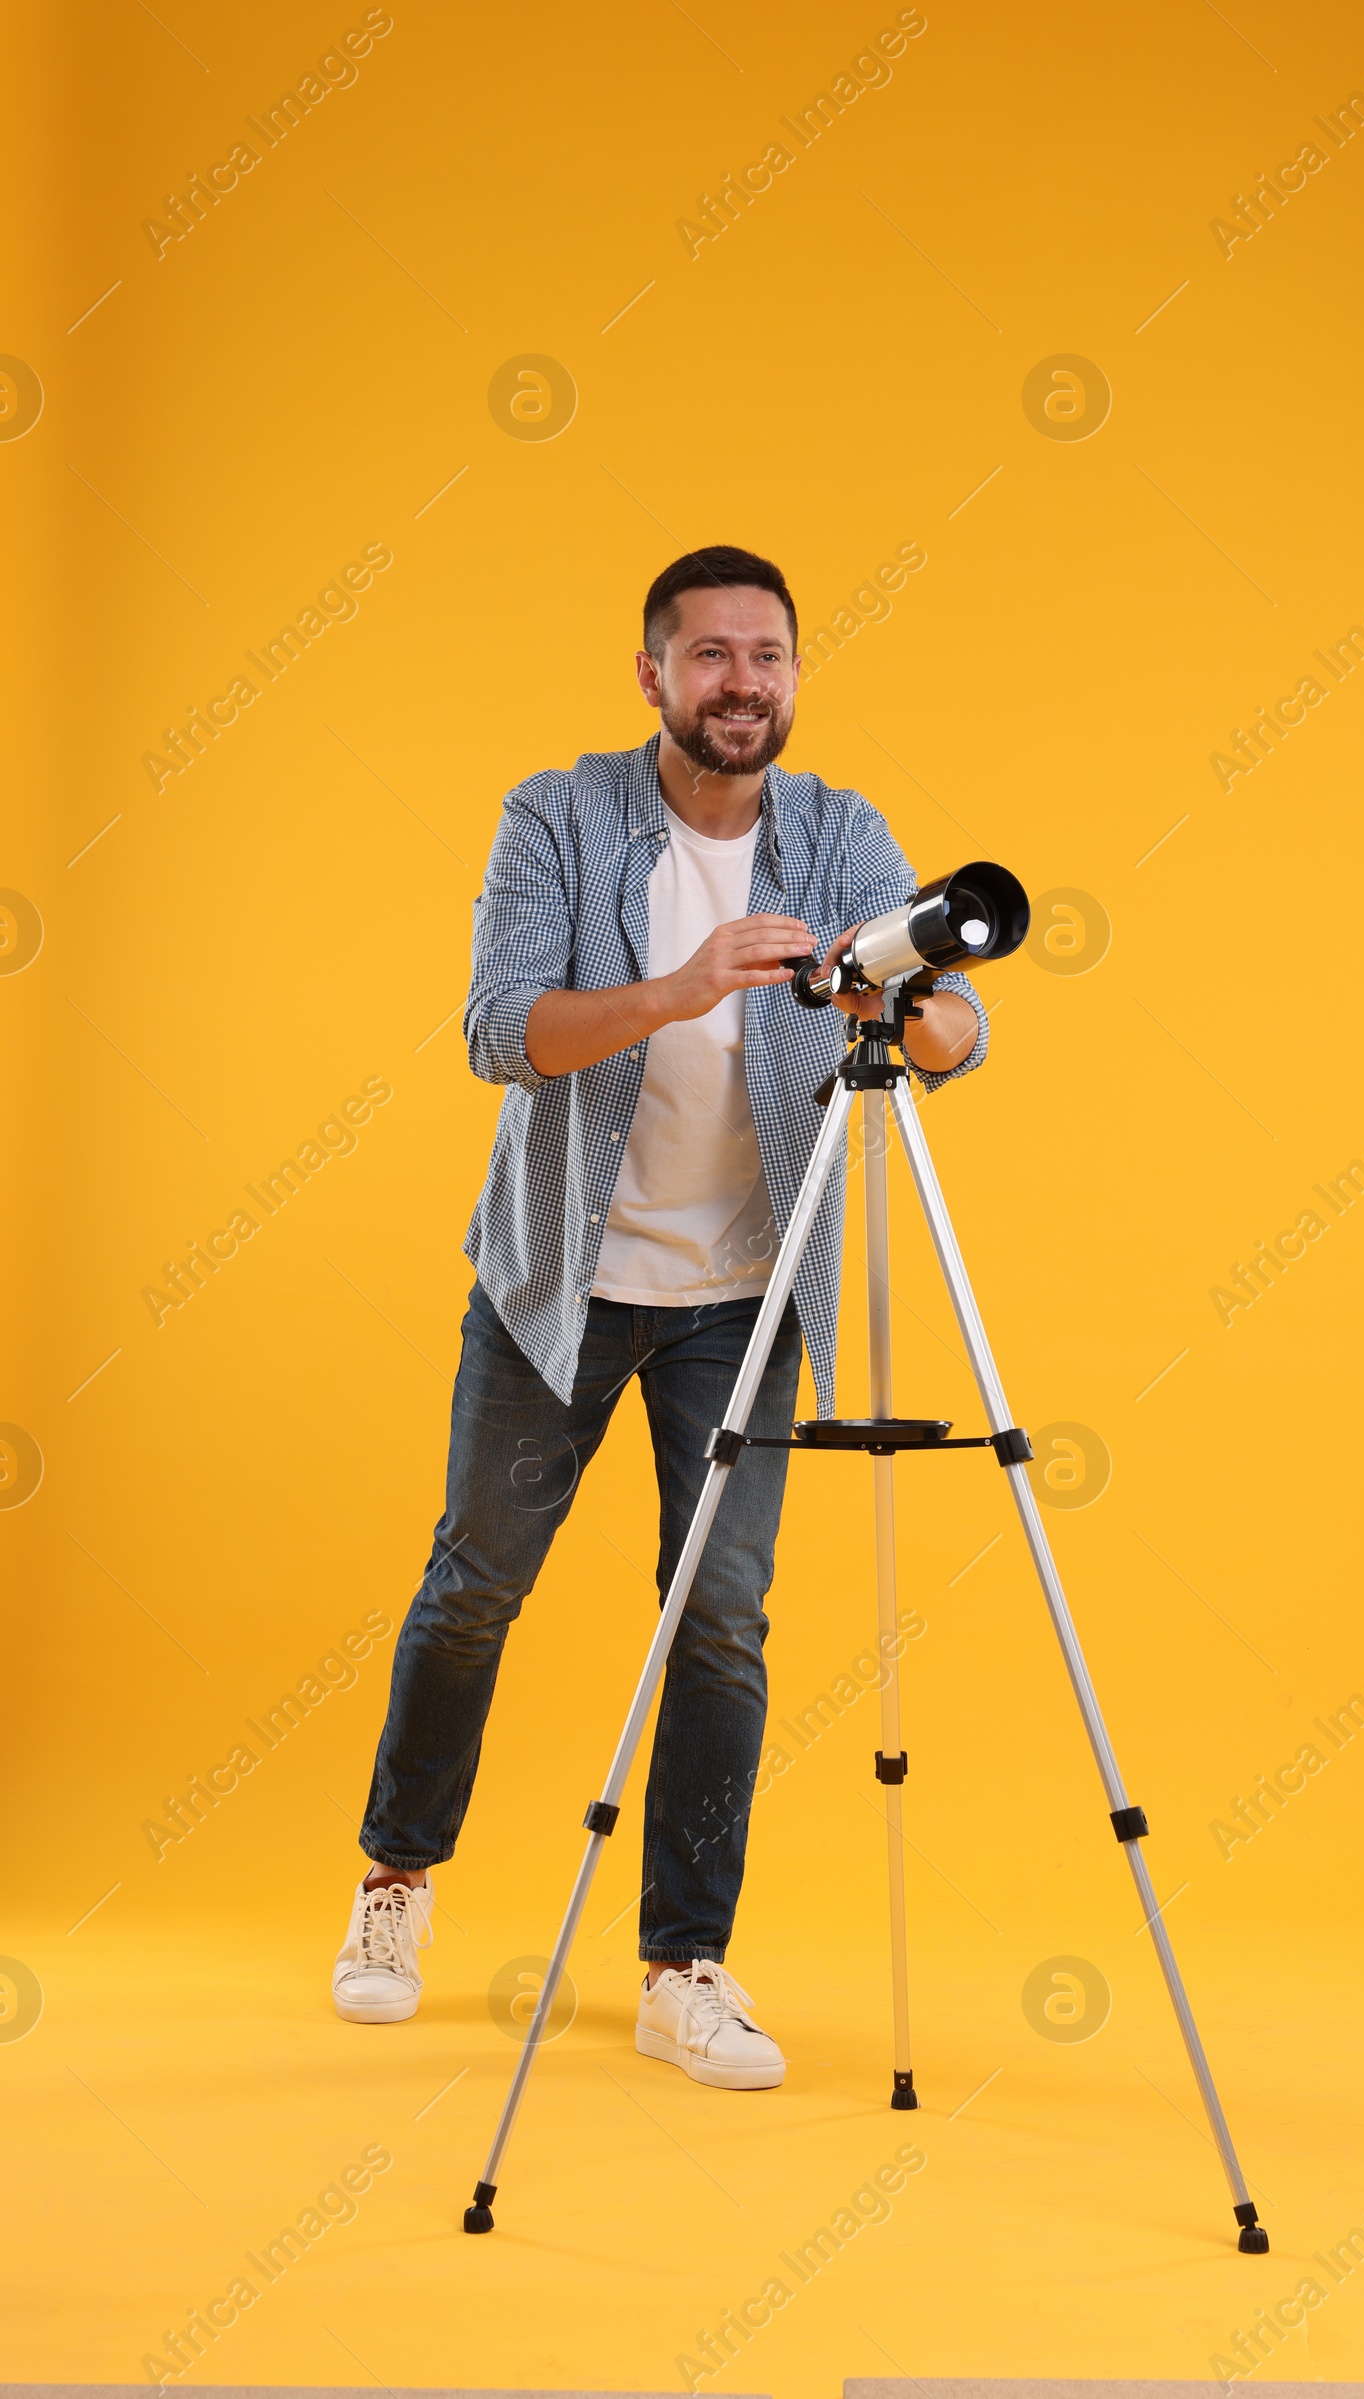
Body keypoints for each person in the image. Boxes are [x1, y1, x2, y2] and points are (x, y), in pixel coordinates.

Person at [332, 546, 987, 2088]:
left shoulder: (838, 834)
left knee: (723, 1620)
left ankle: (686, 1963)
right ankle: (393, 1882)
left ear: (795, 675)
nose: (742, 683)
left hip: (742, 1299)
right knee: (476, 1580)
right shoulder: (560, 815)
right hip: (559, 1278)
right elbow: (504, 1032)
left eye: (768, 656)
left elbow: (960, 1029)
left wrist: (903, 1013)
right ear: (655, 677)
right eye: (711, 657)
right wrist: (683, 986)